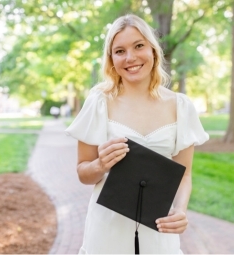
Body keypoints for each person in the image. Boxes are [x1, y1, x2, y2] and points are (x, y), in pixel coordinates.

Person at [65, 14, 209, 254]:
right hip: (107, 230)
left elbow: (183, 175)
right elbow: (83, 172)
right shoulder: (99, 101)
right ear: (111, 59)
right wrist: (101, 164)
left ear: (153, 50)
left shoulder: (180, 106)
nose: (130, 58)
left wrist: (180, 211)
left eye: (139, 46)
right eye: (119, 51)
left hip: (158, 231)